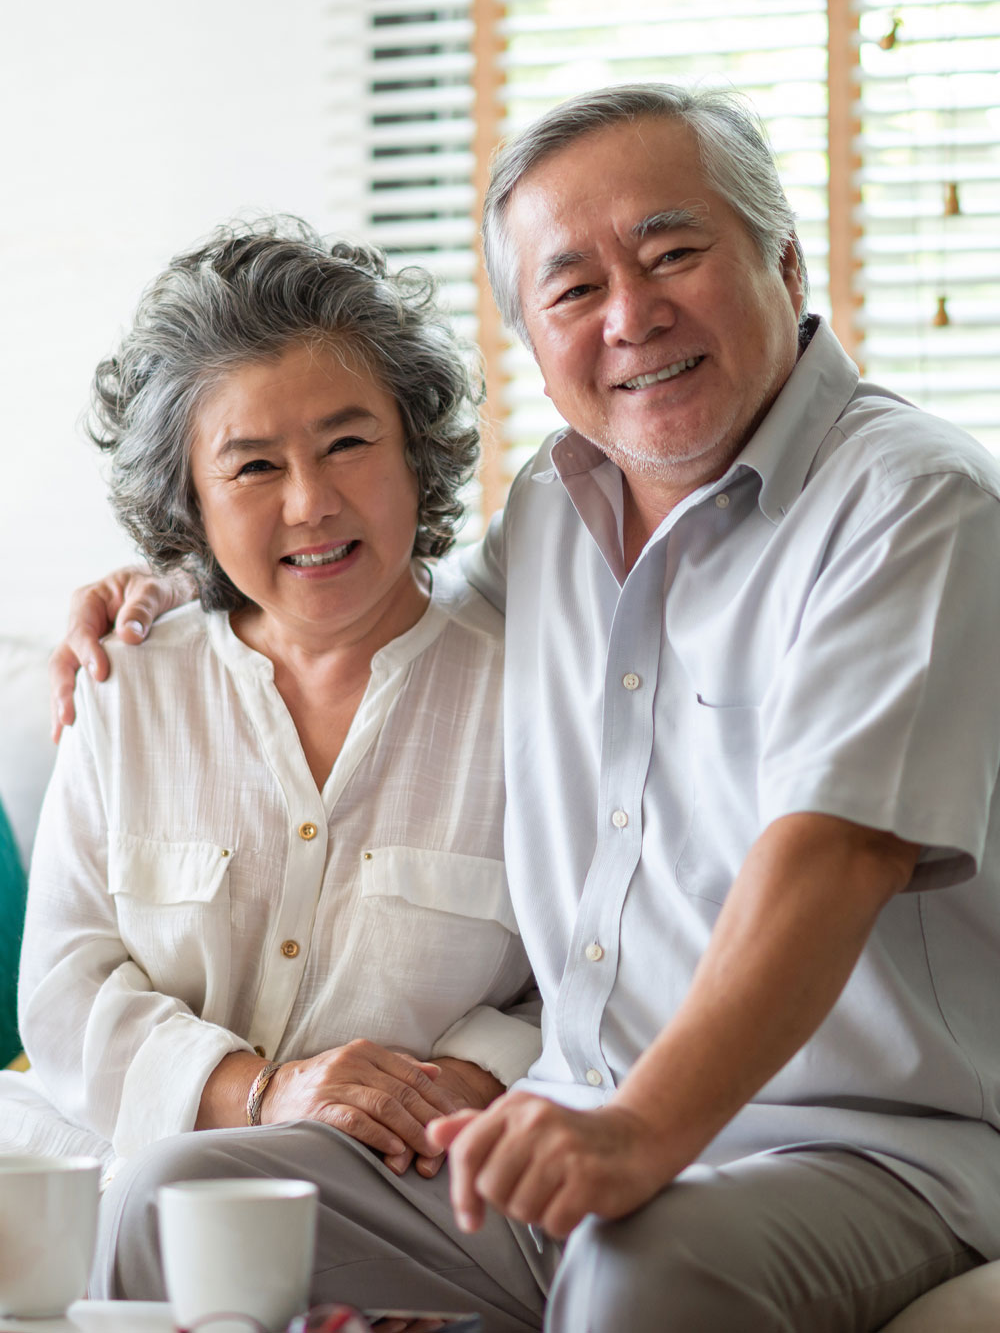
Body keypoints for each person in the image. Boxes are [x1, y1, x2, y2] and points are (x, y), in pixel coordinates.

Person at [52, 85, 1000, 1332]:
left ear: (783, 261)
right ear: (533, 341)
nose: (630, 315)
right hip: (566, 1130)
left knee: (639, 1266)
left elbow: (838, 853)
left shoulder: (913, 503)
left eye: (671, 253)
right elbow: (371, 588)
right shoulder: (556, 512)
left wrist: (638, 1131)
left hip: (856, 1147)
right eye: (573, 288)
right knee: (176, 1198)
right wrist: (183, 580)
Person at [3, 222, 548, 1330]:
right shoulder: (127, 684)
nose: (310, 502)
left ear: (416, 450)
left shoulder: (535, 694)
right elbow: (63, 989)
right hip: (108, 1167)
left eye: (348, 443)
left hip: (411, 1187)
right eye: (253, 465)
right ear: (190, 501)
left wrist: (462, 1080)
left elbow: (587, 976)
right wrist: (260, 1090)